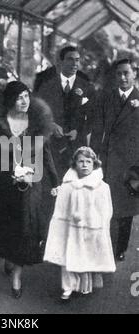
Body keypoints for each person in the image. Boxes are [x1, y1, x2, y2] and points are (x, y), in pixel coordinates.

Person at [0, 81, 58, 299]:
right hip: (4, 183)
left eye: (27, 96)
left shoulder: (36, 124)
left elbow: (46, 153)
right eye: (19, 97)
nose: (24, 101)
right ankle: (9, 255)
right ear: (10, 101)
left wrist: (55, 181)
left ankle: (17, 274)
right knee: (8, 226)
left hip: (30, 184)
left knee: (25, 228)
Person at [44, 147, 116, 300]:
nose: (84, 165)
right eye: (81, 161)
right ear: (75, 164)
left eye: (88, 161)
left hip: (90, 228)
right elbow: (60, 209)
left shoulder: (102, 187)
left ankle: (84, 285)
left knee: (85, 257)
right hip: (69, 228)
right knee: (67, 258)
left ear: (94, 164)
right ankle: (67, 287)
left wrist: (98, 225)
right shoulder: (68, 185)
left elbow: (106, 211)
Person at [91, 59, 139, 262]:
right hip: (109, 159)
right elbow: (98, 128)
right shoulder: (107, 97)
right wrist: (93, 155)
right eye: (119, 74)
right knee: (107, 203)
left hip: (132, 162)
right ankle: (106, 245)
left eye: (126, 73)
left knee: (126, 206)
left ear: (134, 74)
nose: (123, 77)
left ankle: (120, 248)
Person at [33, 46, 96, 179]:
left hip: (77, 146)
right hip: (52, 145)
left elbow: (93, 117)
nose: (75, 64)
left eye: (77, 60)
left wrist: (78, 131)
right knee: (53, 183)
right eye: (70, 59)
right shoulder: (47, 86)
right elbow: (37, 112)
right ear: (60, 62)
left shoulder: (87, 87)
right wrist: (51, 125)